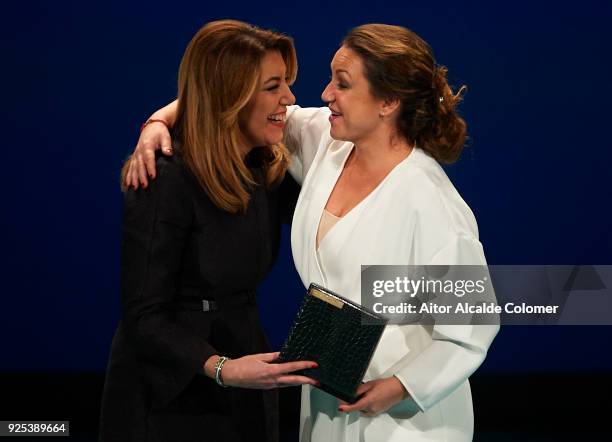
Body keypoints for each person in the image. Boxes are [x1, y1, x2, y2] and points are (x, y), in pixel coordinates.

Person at [127, 23, 499, 442]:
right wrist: (157, 121)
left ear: (388, 101)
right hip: (326, 393)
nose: (324, 95)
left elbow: (470, 329)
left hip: (404, 416)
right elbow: (225, 96)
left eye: (342, 84)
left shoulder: (431, 201)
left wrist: (400, 389)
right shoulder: (328, 139)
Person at [100, 19, 319, 442]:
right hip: (171, 390)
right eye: (273, 86)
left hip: (247, 370)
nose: (290, 100)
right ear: (230, 97)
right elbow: (143, 317)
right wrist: (221, 367)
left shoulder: (267, 165)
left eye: (287, 84)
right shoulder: (164, 178)